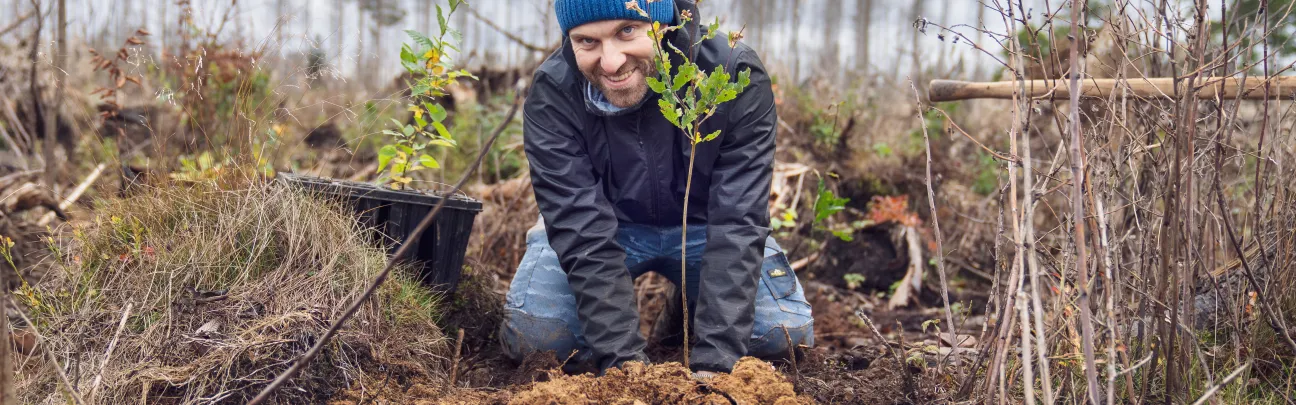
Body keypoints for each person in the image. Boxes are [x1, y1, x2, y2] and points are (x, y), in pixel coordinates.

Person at [499, 0, 813, 376]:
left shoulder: (729, 73)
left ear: (663, 25)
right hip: (607, 231)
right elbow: (580, 227)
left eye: (627, 31)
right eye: (587, 41)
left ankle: (691, 308)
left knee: (780, 335)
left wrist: (717, 361)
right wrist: (624, 366)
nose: (611, 62)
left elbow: (738, 219)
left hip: (707, 230)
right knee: (541, 339)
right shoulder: (555, 90)